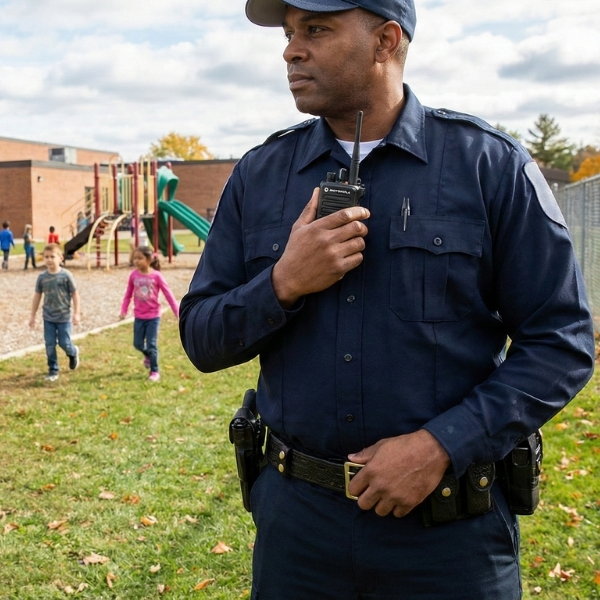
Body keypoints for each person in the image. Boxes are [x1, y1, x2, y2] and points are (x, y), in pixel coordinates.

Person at [179, 1, 596, 598]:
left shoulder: (488, 166)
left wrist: (441, 445)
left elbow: (562, 343)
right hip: (298, 534)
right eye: (291, 33)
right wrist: (283, 283)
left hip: (449, 534)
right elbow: (200, 337)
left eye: (316, 30)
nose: (291, 50)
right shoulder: (260, 174)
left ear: (386, 41)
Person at [119, 245, 179, 382]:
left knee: (152, 344)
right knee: (137, 344)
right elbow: (128, 295)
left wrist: (177, 311)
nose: (136, 261)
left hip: (153, 316)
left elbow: (168, 294)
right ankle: (148, 355)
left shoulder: (156, 276)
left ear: (149, 259)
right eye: (135, 258)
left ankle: (154, 371)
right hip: (139, 316)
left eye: (139, 258)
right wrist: (123, 310)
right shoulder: (133, 275)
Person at [29, 243, 80, 382]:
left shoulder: (66, 276)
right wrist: (32, 315)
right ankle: (53, 369)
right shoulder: (42, 277)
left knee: (64, 343)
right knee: (50, 344)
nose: (49, 260)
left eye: (52, 256)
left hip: (63, 316)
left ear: (60, 258)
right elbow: (37, 296)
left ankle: (73, 352)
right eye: (46, 257)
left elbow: (75, 294)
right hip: (48, 317)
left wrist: (77, 313)